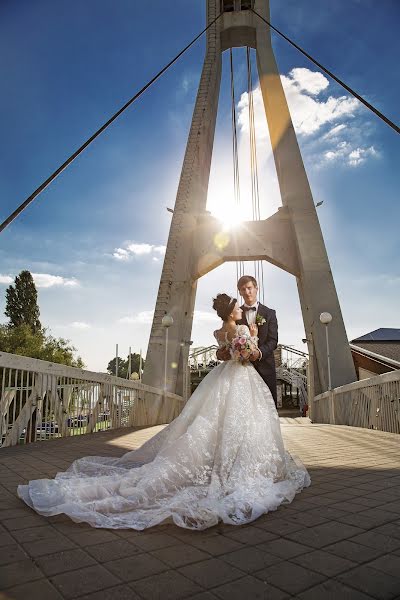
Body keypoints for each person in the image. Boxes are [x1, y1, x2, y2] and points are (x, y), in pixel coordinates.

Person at [18, 294, 310, 531]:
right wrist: (252, 340)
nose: (239, 308)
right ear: (232, 310)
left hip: (225, 377)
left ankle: (222, 458)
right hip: (241, 376)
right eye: (236, 306)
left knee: (209, 422)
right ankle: (233, 464)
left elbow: (222, 353)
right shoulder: (240, 329)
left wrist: (234, 350)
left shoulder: (220, 330)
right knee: (237, 421)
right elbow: (242, 353)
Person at [217, 275, 278, 406]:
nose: (247, 292)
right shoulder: (234, 312)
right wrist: (219, 353)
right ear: (239, 291)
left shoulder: (270, 313)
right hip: (239, 372)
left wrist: (259, 353)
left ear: (256, 288)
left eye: (249, 288)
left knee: (268, 407)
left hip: (265, 368)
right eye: (243, 289)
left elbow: (273, 341)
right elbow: (226, 335)